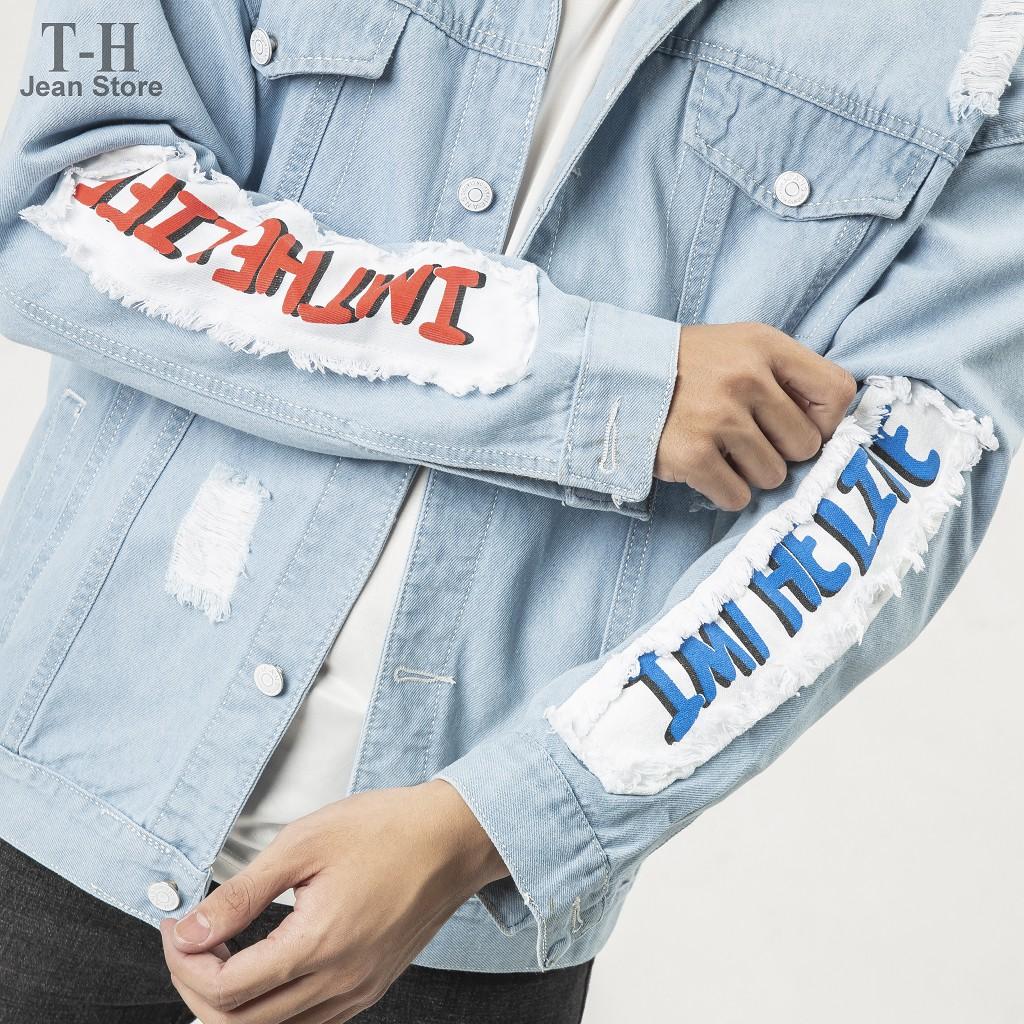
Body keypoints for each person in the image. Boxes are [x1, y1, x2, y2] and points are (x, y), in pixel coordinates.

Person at [0, 1, 1020, 1021]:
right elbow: (63, 193)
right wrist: (594, 384)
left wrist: (486, 824)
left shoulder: (984, 40)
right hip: (49, 812)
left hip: (455, 935)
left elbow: (905, 488)